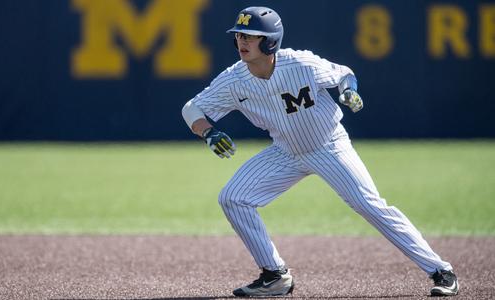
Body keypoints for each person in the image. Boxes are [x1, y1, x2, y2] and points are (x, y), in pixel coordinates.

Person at [181, 6, 459, 297]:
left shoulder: (300, 63)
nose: (242, 41)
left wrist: (348, 90)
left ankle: (441, 270)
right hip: (286, 151)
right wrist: (208, 132)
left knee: (369, 205)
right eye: (239, 35)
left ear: (270, 42)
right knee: (233, 197)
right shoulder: (233, 79)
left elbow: (343, 74)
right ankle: (275, 275)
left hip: (329, 145)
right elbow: (192, 109)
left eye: (251, 36)